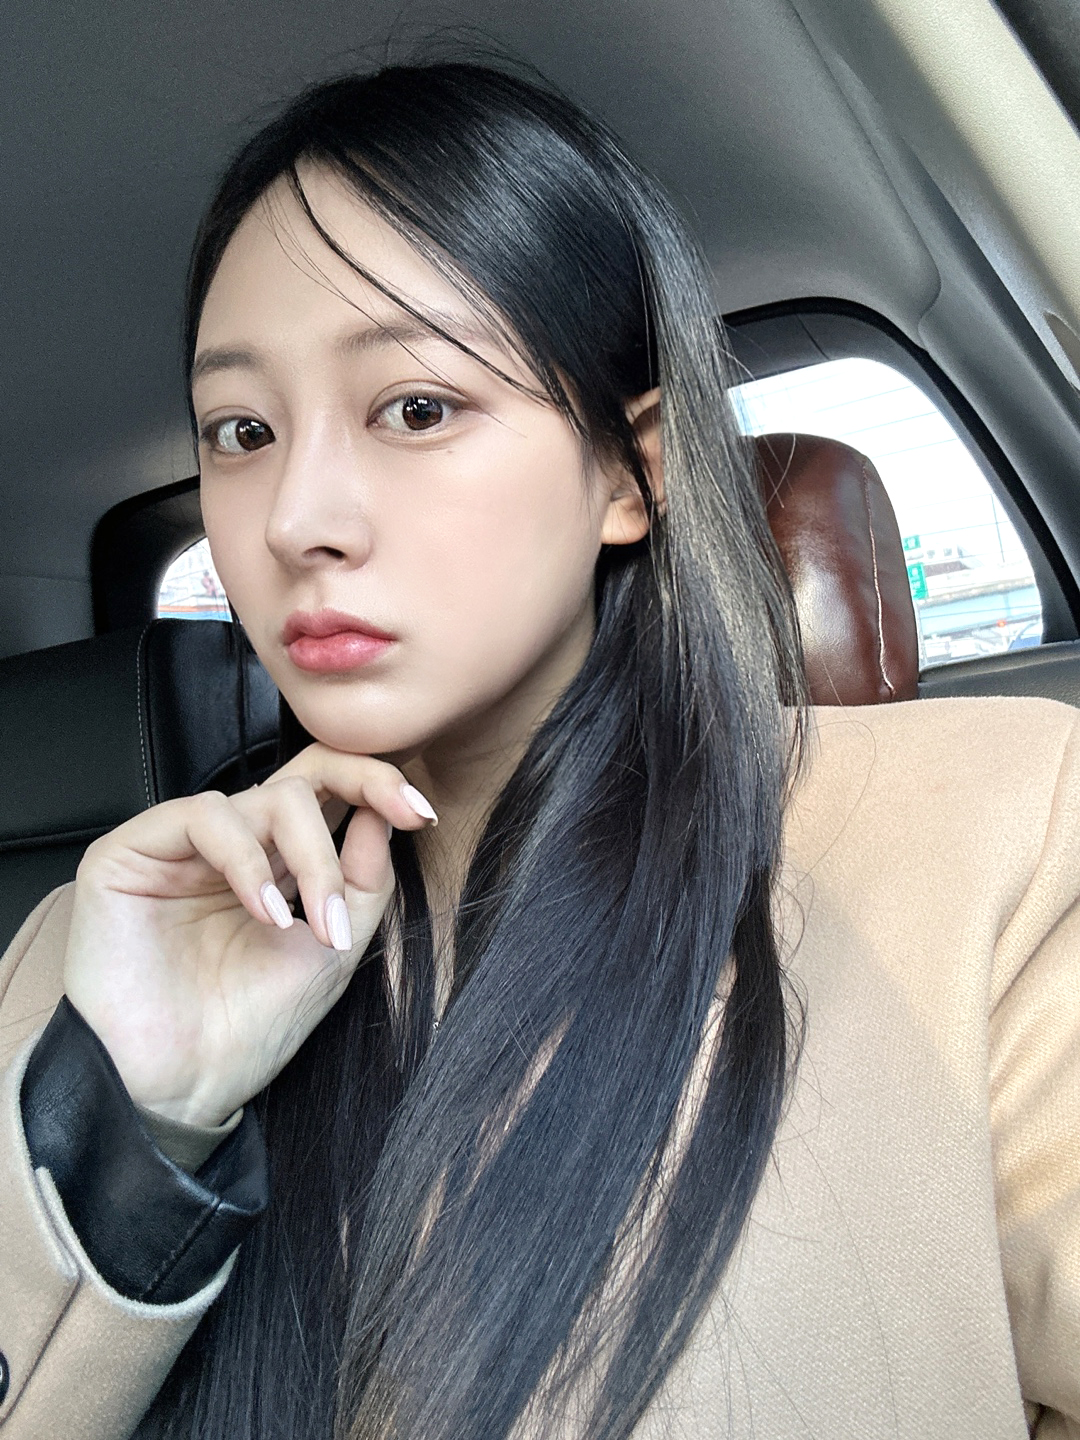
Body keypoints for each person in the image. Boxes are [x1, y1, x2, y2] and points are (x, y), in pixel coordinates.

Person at [0, 60, 1077, 1440]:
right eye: (243, 431)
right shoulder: (96, 948)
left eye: (417, 408)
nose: (294, 519)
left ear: (632, 472)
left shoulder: (997, 838)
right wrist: (135, 1128)